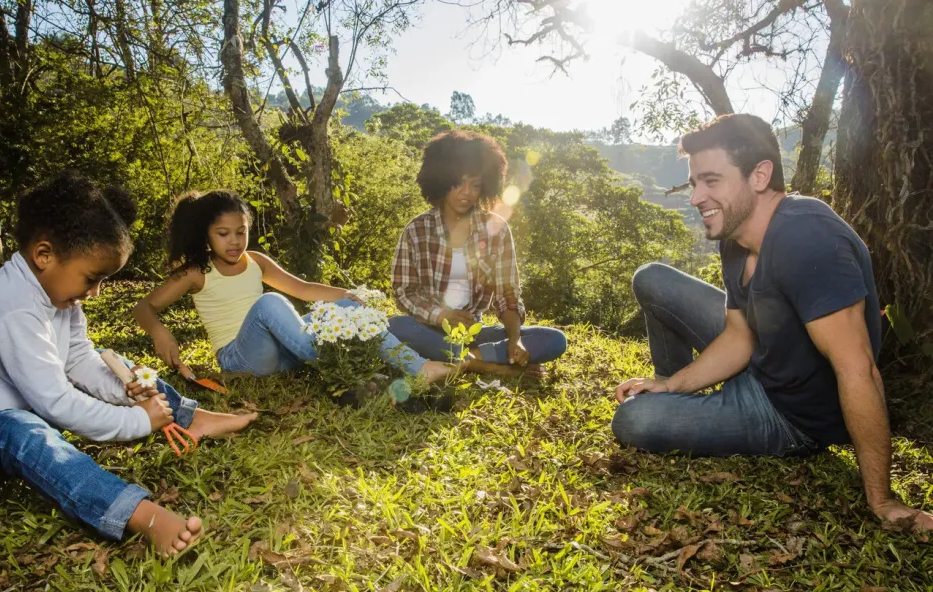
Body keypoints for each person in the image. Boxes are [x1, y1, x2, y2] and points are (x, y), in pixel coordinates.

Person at [611, 113, 933, 533]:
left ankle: (682, 413)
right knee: (652, 278)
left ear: (760, 176)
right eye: (694, 184)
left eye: (712, 181)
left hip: (787, 415)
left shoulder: (808, 238)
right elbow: (739, 335)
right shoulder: (735, 235)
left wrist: (883, 499)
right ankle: (673, 394)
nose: (696, 198)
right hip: (762, 357)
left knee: (633, 420)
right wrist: (672, 385)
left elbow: (858, 369)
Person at [0, 173, 257, 556]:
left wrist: (125, 388)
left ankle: (189, 417)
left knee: (118, 365)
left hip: (19, 406)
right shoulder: (10, 306)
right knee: (16, 428)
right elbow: (55, 402)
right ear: (44, 255)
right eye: (91, 278)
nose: (95, 292)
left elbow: (80, 360)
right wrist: (138, 421)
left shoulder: (58, 295)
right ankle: (136, 513)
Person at [134, 191, 456, 383]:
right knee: (269, 302)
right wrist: (160, 332)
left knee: (347, 308)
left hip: (285, 356)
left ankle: (419, 367)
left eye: (241, 232)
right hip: (240, 358)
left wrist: (346, 296)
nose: (234, 241)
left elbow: (302, 288)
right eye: (223, 234)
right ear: (206, 234)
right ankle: (344, 366)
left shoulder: (256, 260)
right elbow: (144, 307)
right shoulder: (196, 271)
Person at [389, 130, 567, 377]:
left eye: (475, 185)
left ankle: (460, 358)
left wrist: (515, 340)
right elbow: (404, 291)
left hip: (474, 333)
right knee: (394, 327)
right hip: (428, 329)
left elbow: (507, 294)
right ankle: (484, 365)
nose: (466, 193)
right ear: (441, 181)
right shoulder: (416, 230)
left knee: (554, 340)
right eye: (457, 183)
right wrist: (442, 316)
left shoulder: (497, 229)